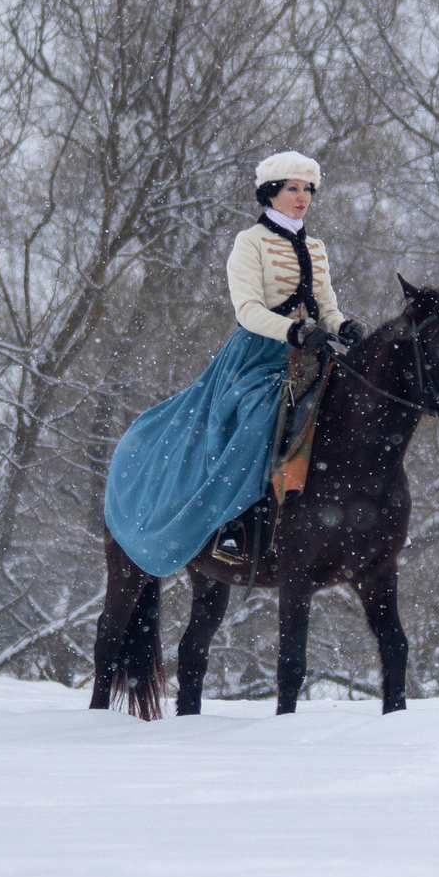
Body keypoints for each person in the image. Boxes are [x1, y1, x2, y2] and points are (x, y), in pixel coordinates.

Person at [103, 151, 366, 576]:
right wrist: (291, 331)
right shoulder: (251, 242)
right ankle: (234, 521)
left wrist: (344, 326)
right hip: (259, 355)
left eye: (308, 189)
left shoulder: (316, 248)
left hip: (313, 353)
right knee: (258, 415)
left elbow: (326, 305)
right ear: (271, 193)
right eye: (293, 189)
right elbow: (246, 309)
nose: (303, 197)